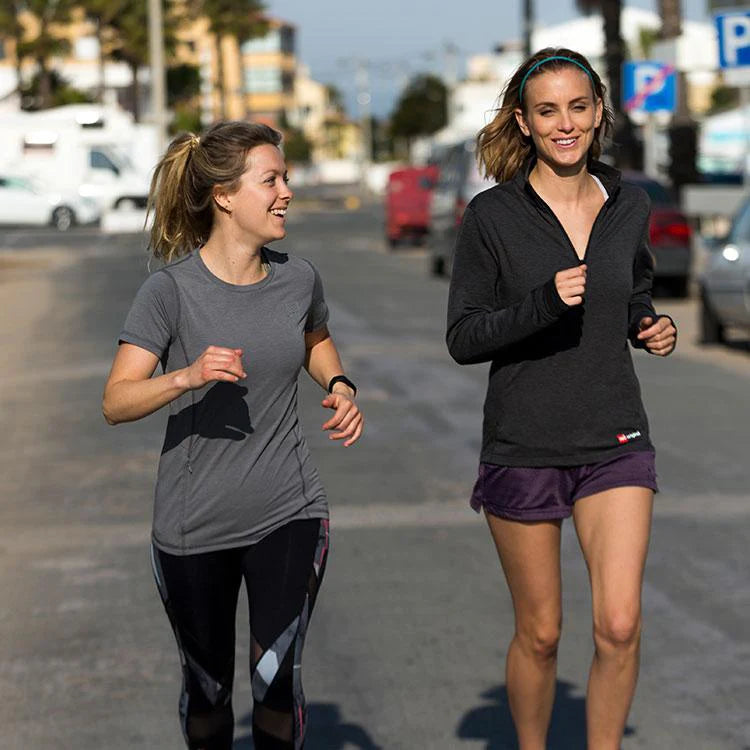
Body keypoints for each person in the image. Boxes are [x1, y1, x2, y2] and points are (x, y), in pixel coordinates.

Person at [102, 121, 363, 750]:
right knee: (209, 692)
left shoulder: (298, 278)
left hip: (289, 509)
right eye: (270, 180)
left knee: (276, 682)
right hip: (193, 527)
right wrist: (186, 377)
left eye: (286, 179)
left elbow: (314, 338)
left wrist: (340, 384)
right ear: (224, 196)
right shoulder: (169, 292)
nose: (286, 193)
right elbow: (116, 401)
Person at [446, 48, 676, 750]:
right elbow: (463, 336)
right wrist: (543, 302)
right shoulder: (492, 217)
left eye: (578, 106)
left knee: (619, 624)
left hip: (615, 440)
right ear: (524, 120)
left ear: (599, 111)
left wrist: (648, 324)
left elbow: (631, 291)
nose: (565, 123)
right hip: (525, 444)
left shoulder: (629, 204)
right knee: (542, 634)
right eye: (547, 111)